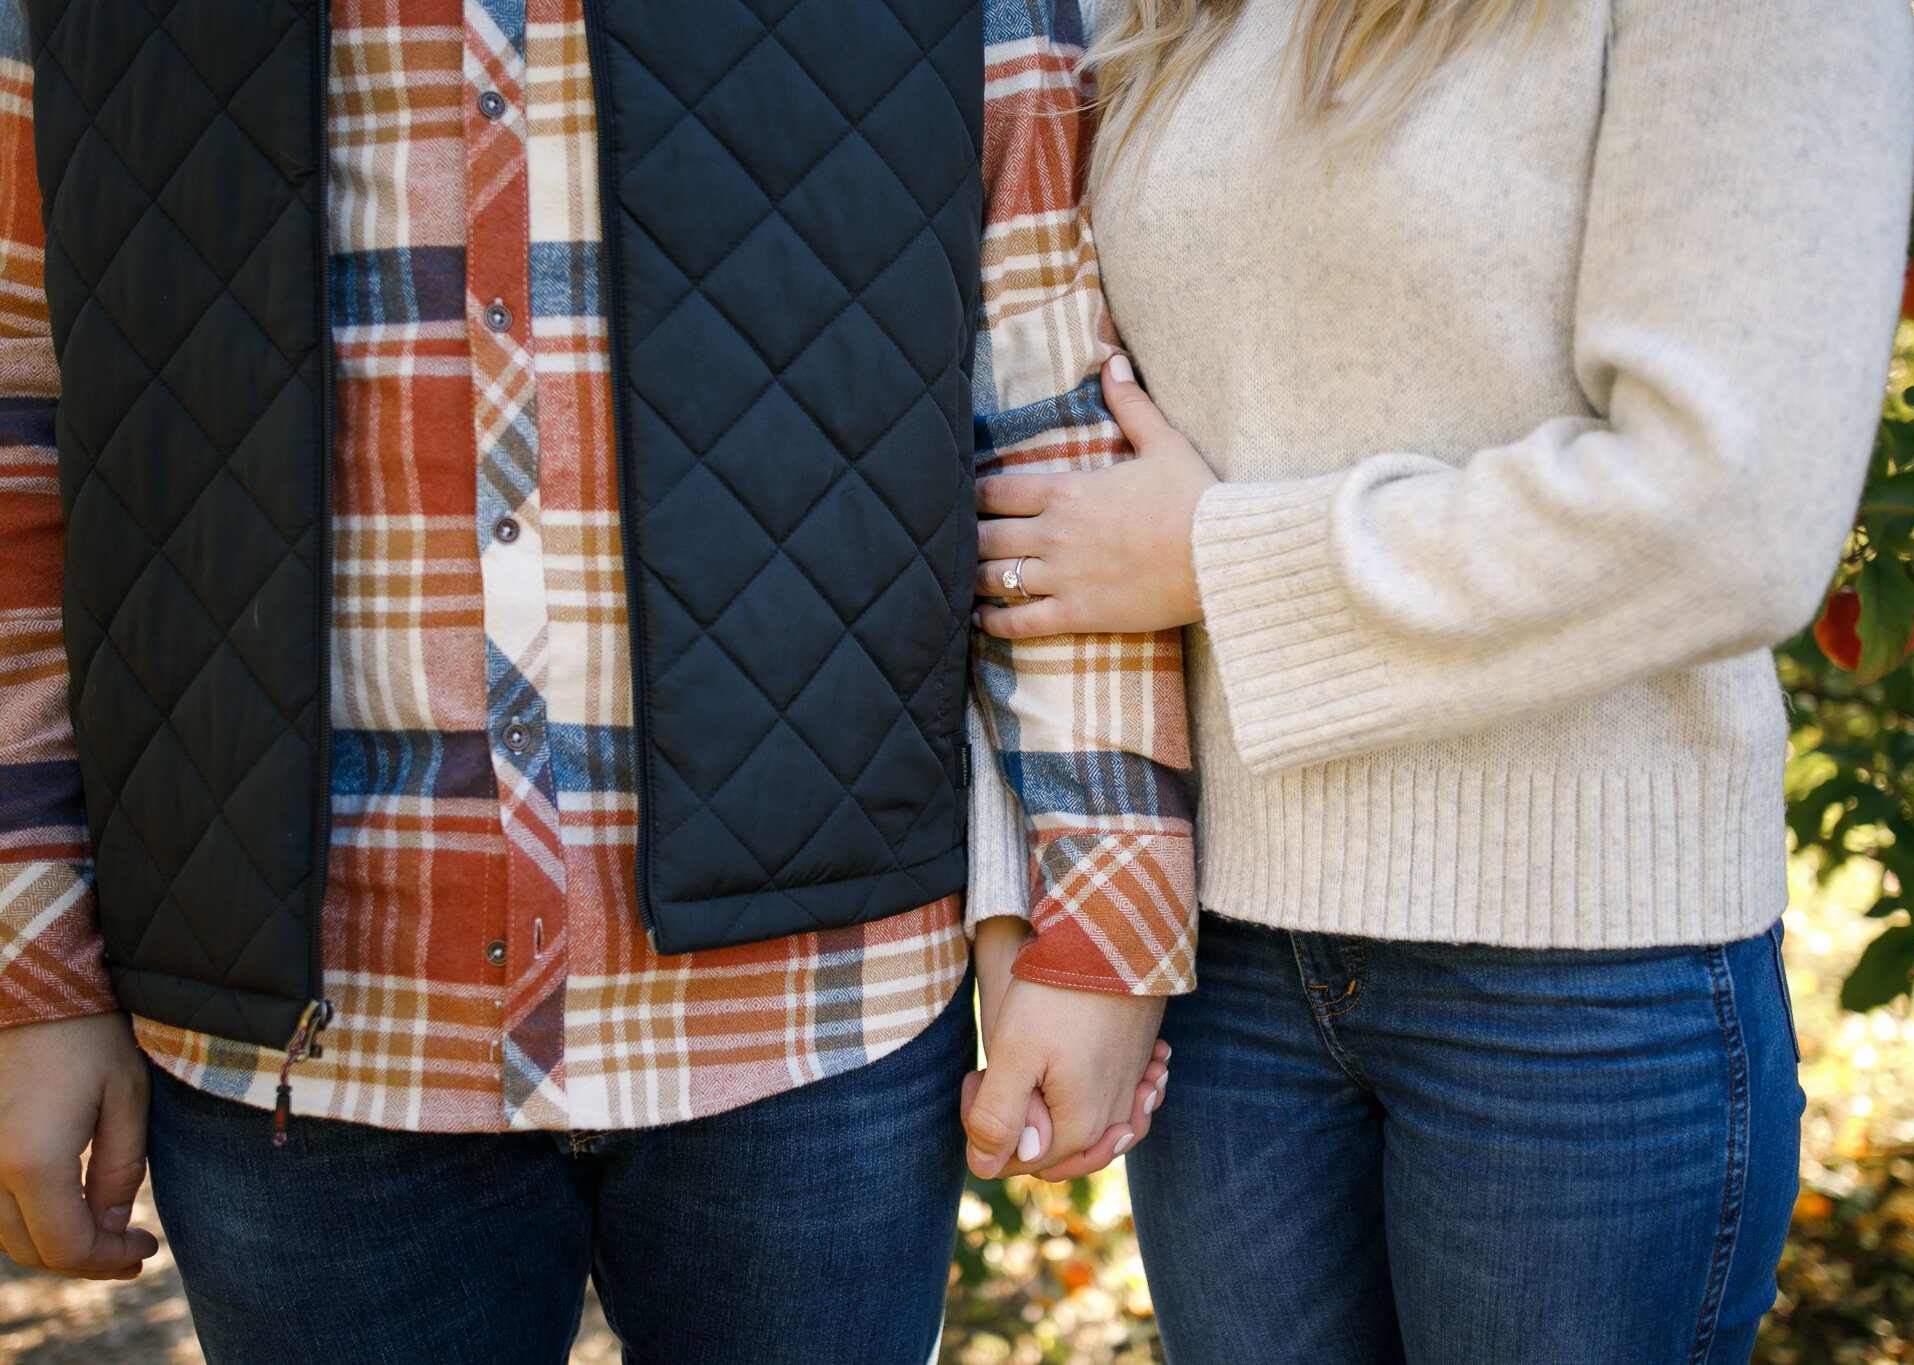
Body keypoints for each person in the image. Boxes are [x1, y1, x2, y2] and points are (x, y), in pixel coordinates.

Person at [0, 0, 1191, 1358]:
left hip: (815, 1020)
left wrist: (1102, 916)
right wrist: (34, 964)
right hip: (316, 1052)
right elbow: (24, 439)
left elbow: (1050, 410)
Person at [973, 0, 1914, 1360]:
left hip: (1577, 983)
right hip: (1227, 966)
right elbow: (1036, 413)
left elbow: (1733, 511)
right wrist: (1053, 909)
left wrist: (1217, 557)